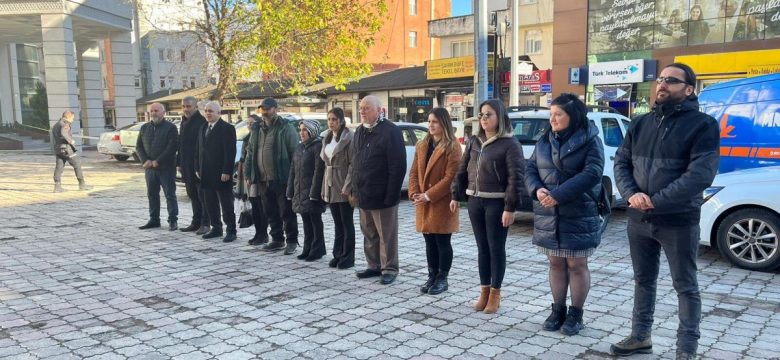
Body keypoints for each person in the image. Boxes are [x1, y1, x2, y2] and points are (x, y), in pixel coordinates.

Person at [610, 63, 720, 360]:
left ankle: (686, 350)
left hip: (678, 219)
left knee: (685, 285)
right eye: (660, 78)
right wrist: (633, 195)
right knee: (643, 280)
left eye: (671, 80)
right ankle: (640, 336)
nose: (662, 84)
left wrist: (655, 199)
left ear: (688, 89)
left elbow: (700, 175)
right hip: (638, 218)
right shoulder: (640, 123)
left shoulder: (703, 125)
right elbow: (621, 163)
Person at [524, 94, 604, 336]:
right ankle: (557, 309)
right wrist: (536, 189)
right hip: (548, 211)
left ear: (573, 116)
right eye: (551, 115)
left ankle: (576, 314)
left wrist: (559, 194)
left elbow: (592, 173)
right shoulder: (545, 140)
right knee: (555, 261)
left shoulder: (590, 140)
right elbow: (530, 168)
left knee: (577, 263)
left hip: (578, 211)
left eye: (558, 114)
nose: (553, 119)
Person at [450, 99, 525, 314]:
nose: (483, 119)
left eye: (488, 115)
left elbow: (516, 178)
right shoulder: (474, 141)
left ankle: (495, 293)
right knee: (482, 249)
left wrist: (510, 208)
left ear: (499, 117)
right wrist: (456, 195)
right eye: (481, 115)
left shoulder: (510, 144)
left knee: (495, 248)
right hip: (475, 200)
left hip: (497, 202)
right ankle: (484, 291)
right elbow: (462, 170)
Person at [347, 95, 406, 285]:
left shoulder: (390, 131)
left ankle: (389, 268)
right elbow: (355, 161)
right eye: (361, 108)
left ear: (379, 110)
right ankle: (373, 265)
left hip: (383, 195)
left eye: (367, 108)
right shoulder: (360, 131)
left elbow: (397, 166)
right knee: (369, 233)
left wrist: (392, 194)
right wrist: (353, 188)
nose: (362, 111)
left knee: (386, 235)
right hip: (363, 192)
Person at [409, 108, 462, 295]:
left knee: (442, 240)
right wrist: (415, 193)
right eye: (429, 121)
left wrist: (428, 195)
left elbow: (450, 178)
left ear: (444, 124)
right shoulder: (422, 145)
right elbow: (414, 171)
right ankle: (431, 275)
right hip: (423, 201)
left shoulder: (453, 147)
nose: (430, 125)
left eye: (435, 122)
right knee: (428, 240)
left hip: (442, 201)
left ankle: (442, 278)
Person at [244, 98, 299, 254]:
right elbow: (251, 152)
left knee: (286, 212)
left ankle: (292, 241)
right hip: (262, 179)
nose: (264, 112)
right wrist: (249, 173)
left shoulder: (285, 128)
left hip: (281, 177)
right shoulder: (257, 129)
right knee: (270, 212)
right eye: (262, 109)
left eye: (267, 109)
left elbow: (294, 153)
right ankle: (277, 239)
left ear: (275, 109)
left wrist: (293, 177)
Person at [196, 101, 238, 243]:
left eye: (211, 111)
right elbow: (199, 149)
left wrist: (227, 170)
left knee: (226, 204)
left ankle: (231, 230)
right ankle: (216, 228)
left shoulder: (227, 128)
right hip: (206, 173)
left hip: (221, 173)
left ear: (219, 113)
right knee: (210, 203)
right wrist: (197, 167)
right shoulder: (203, 127)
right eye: (206, 110)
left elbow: (230, 152)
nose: (208, 113)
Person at [319, 108, 356, 269]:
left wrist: (347, 186)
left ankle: (348, 257)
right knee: (337, 223)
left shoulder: (349, 138)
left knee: (346, 222)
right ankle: (338, 253)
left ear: (341, 121)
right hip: (330, 184)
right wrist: (323, 187)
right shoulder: (327, 138)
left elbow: (353, 165)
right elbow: (326, 165)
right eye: (329, 119)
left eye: (334, 119)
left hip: (343, 184)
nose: (331, 122)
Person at [136, 103, 179, 230]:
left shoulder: (170, 128)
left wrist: (158, 161)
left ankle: (173, 220)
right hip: (149, 169)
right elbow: (139, 146)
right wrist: (145, 160)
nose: (154, 113)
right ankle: (154, 219)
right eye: (152, 111)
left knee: (169, 195)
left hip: (166, 168)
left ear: (163, 112)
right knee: (152, 194)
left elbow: (172, 146)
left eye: (156, 110)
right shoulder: (144, 128)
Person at [287, 120, 326, 261]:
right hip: (300, 191)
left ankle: (317, 250)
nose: (301, 133)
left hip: (311, 192)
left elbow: (318, 171)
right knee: (306, 222)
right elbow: (293, 171)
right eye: (301, 130)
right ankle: (307, 248)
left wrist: (314, 193)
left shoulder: (317, 146)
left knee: (315, 222)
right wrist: (290, 191)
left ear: (312, 132)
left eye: (305, 130)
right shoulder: (299, 147)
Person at [177, 96, 210, 235]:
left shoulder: (201, 122)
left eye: (189, 106)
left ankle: (205, 223)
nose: (186, 109)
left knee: (202, 197)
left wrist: (198, 167)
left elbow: (201, 148)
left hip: (198, 167)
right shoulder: (184, 122)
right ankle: (195, 222)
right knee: (192, 196)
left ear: (196, 107)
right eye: (184, 106)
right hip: (186, 166)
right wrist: (179, 163)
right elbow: (181, 145)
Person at [240, 113, 270, 246]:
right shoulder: (248, 137)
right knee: (254, 206)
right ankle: (258, 233)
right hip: (249, 176)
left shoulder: (259, 136)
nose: (249, 126)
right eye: (248, 123)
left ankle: (263, 234)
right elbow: (245, 158)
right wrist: (246, 175)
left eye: (252, 123)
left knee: (260, 207)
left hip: (258, 176)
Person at [51, 110, 92, 193]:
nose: (73, 120)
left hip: (58, 149)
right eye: (72, 118)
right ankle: (82, 185)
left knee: (59, 167)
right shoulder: (65, 124)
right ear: (68, 117)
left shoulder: (56, 124)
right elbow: (63, 133)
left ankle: (57, 186)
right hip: (66, 149)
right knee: (77, 164)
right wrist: (70, 140)